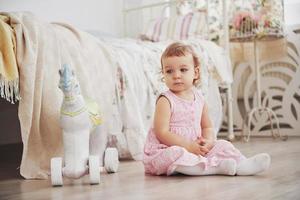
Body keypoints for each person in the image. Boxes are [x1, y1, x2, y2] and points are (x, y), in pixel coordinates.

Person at [143, 42, 271, 176]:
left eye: (183, 70)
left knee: (223, 144)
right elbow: (161, 133)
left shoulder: (199, 99)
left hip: (196, 147)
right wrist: (187, 146)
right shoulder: (166, 100)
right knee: (176, 153)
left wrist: (208, 142)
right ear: (163, 74)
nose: (176, 75)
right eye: (169, 71)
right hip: (168, 148)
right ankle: (214, 168)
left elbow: (207, 127)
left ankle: (242, 164)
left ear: (196, 73)